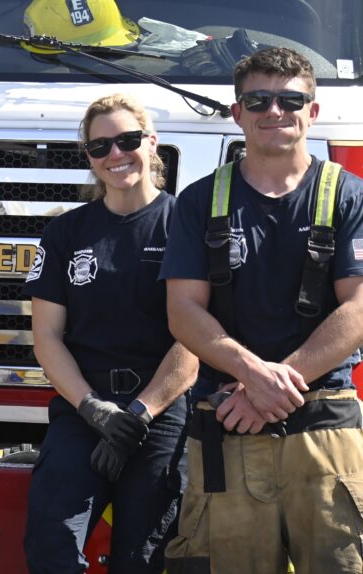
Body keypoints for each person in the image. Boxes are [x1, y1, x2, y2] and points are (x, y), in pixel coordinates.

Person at [162, 47, 363, 573]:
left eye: (290, 100)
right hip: (228, 424)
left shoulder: (350, 196)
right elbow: (183, 311)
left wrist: (270, 388)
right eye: (257, 100)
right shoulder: (198, 201)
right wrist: (253, 376)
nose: (274, 111)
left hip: (323, 425)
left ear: (312, 112)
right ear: (237, 113)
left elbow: (360, 306)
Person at [23, 93, 198, 573]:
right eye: (100, 147)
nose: (115, 154)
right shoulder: (65, 233)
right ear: (89, 158)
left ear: (152, 143)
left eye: (127, 140)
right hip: (84, 410)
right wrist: (94, 409)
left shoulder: (187, 227)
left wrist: (139, 415)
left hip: (160, 412)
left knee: (143, 559)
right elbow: (47, 337)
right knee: (51, 543)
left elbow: (194, 338)